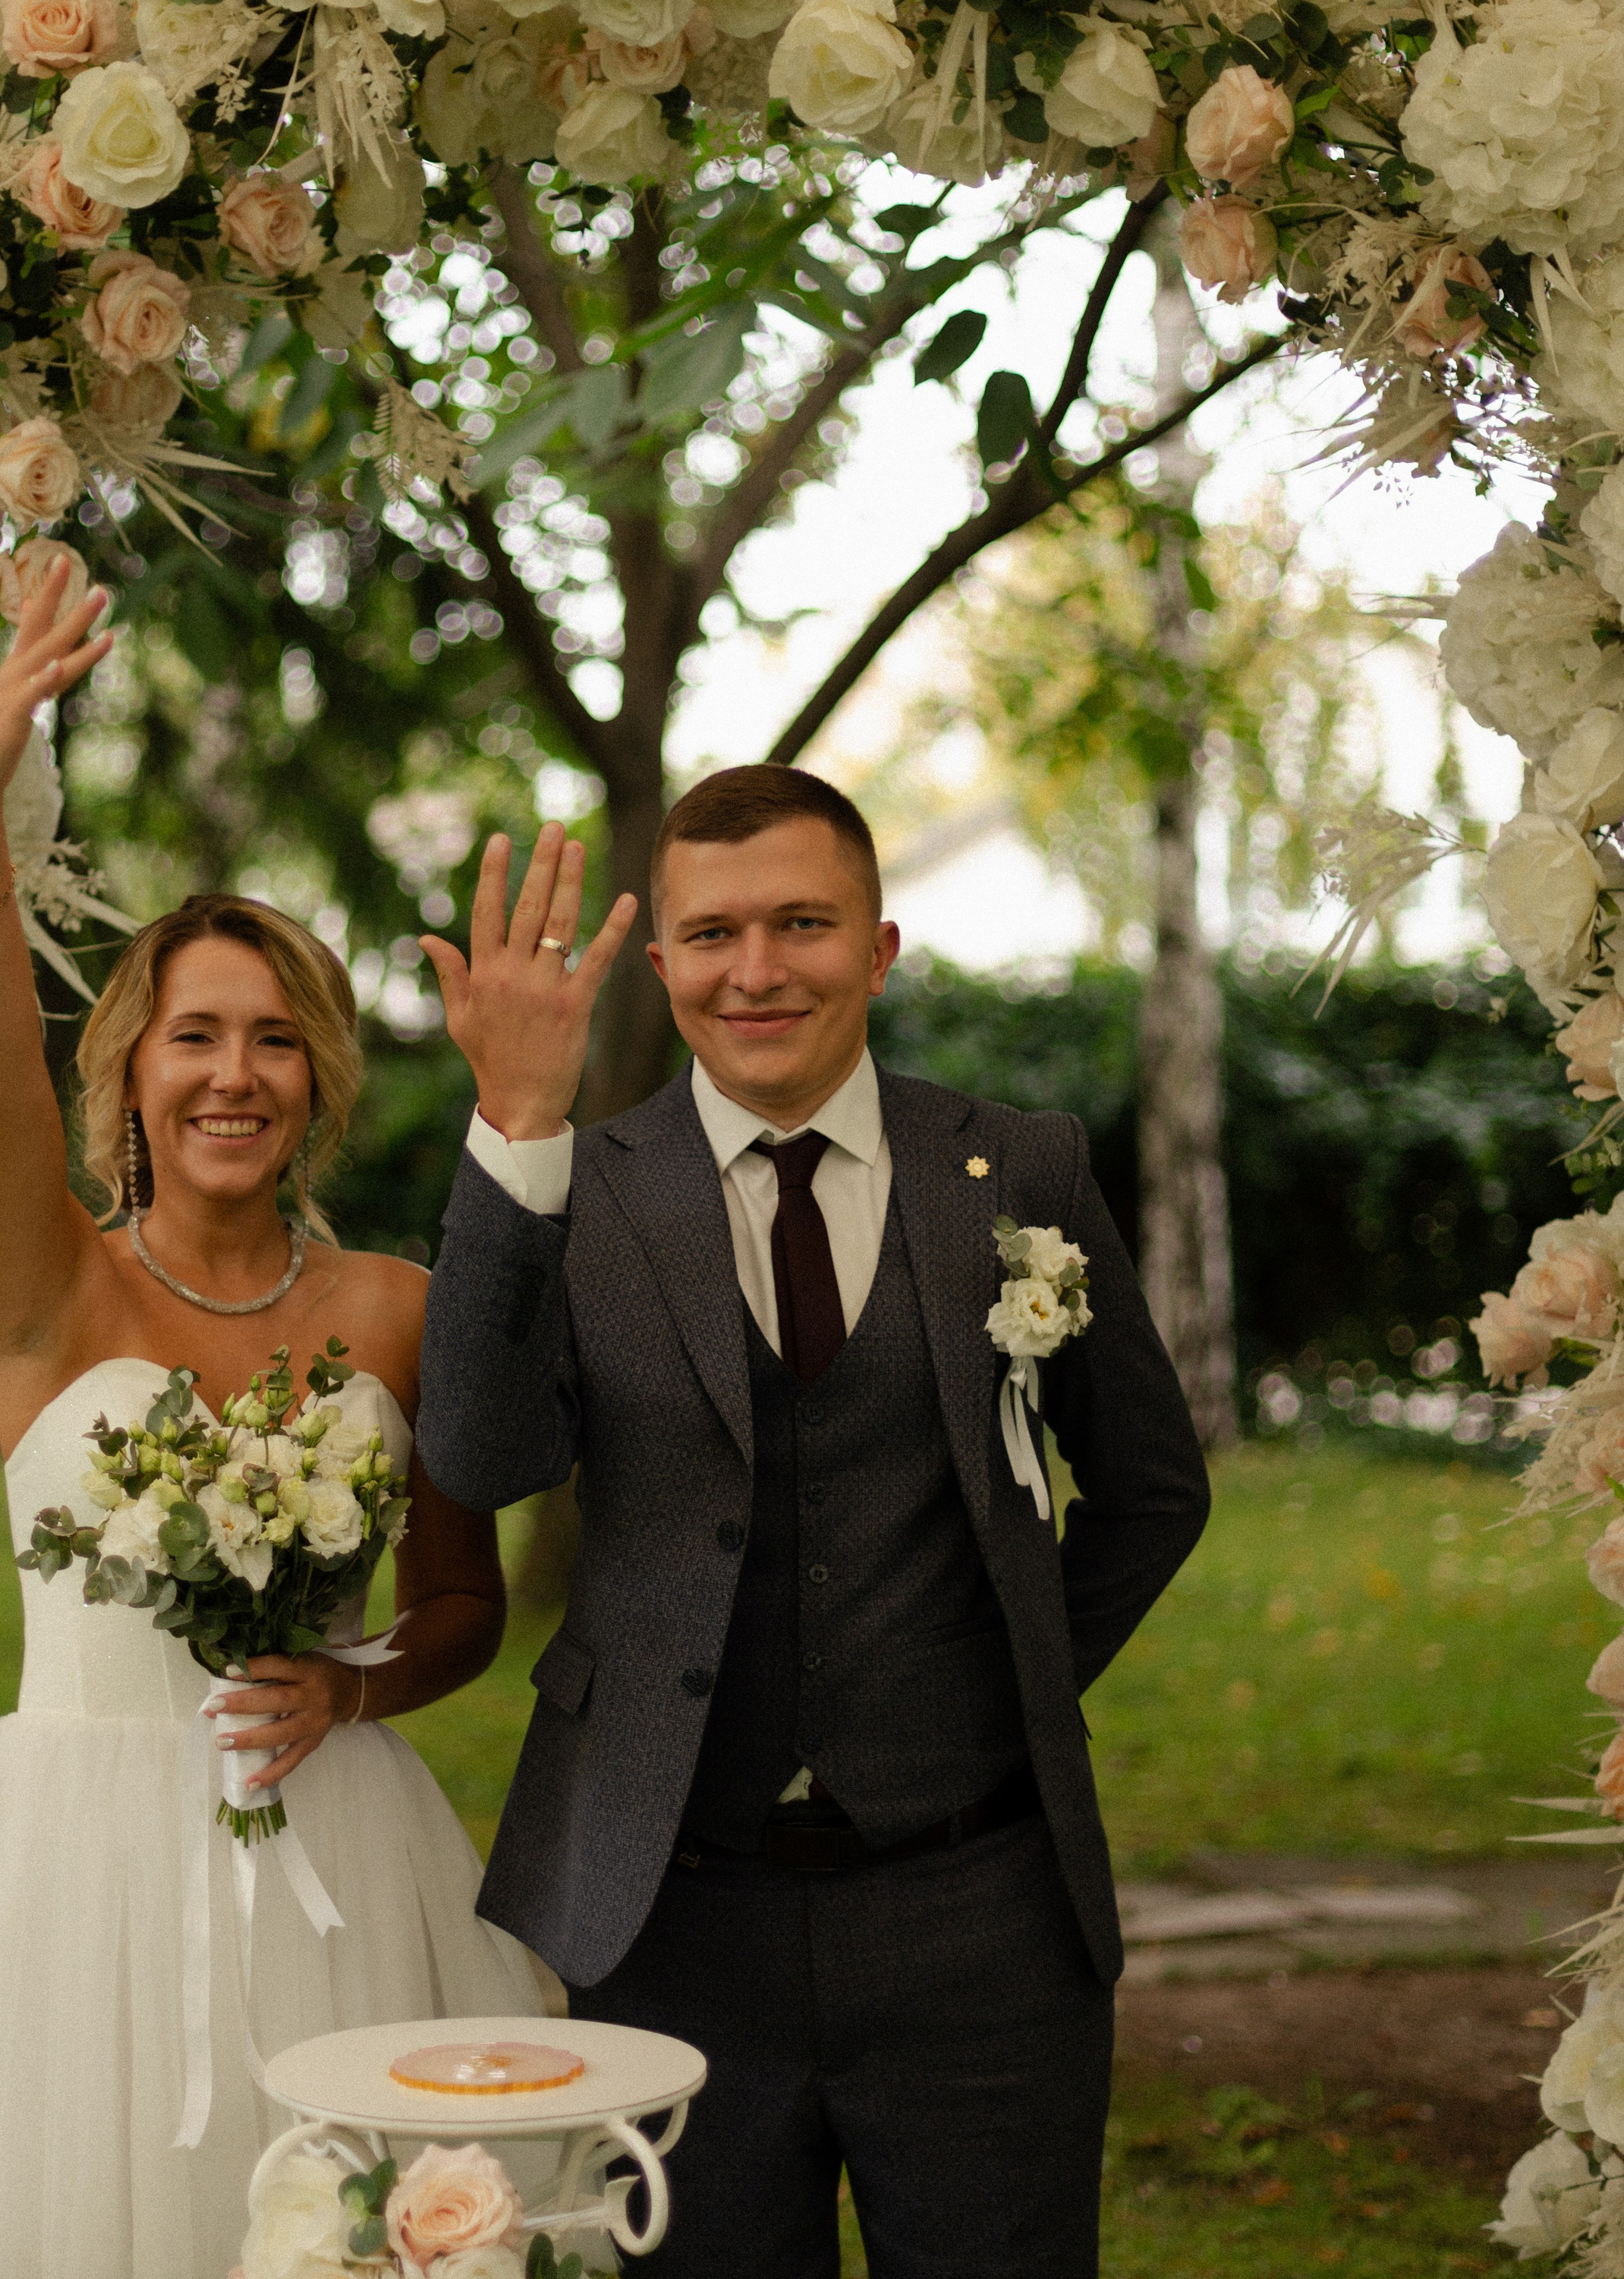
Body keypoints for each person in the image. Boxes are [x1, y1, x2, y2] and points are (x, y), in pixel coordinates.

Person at [0, 570, 539, 2279]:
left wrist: (357, 1680)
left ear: (314, 1080)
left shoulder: (396, 1305)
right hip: (62, 1875)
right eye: (193, 1038)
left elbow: (467, 1599)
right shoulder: (45, 1288)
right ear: (132, 1073)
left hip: (342, 1850)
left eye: (272, 1042)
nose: (231, 1075)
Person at [416, 765, 1210, 2279]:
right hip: (669, 1913)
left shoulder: (1015, 1166)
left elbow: (1152, 1488)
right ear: (659, 968)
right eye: (713, 933)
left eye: (801, 923)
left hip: (978, 1912)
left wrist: (1005, 1679)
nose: (757, 969)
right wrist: (517, 1120)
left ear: (879, 948)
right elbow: (475, 1453)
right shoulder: (574, 1190)